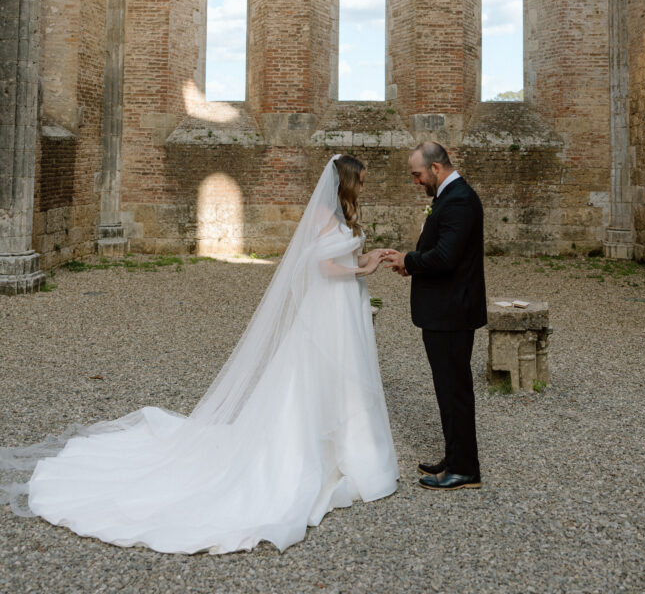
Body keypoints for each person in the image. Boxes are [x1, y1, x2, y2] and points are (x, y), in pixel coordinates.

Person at [0, 155, 398, 554]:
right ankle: (312, 451)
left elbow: (342, 261)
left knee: (344, 377)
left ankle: (349, 449)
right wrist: (361, 272)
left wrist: (369, 258)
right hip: (328, 310)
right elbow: (323, 267)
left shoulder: (342, 217)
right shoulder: (324, 217)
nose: (363, 188)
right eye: (361, 182)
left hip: (342, 308)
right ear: (346, 183)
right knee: (317, 376)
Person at [382, 141, 486, 491]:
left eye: (418, 174)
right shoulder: (449, 196)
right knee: (448, 389)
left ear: (436, 168)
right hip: (445, 311)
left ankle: (464, 470)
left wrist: (409, 261)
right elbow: (439, 251)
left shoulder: (459, 200)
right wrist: (411, 262)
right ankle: (455, 457)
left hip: (452, 313)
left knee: (454, 391)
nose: (416, 181)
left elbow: (445, 257)